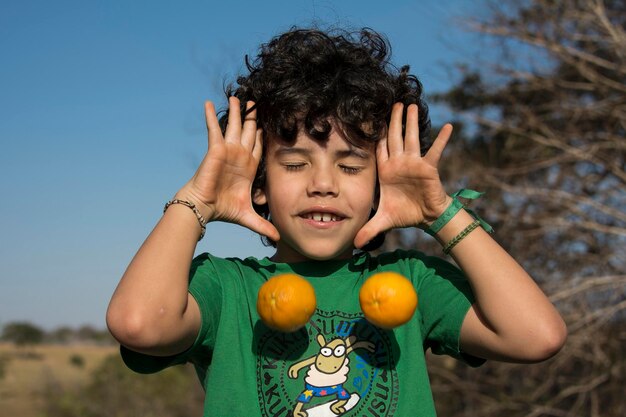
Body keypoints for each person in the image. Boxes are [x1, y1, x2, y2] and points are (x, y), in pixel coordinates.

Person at [107, 27, 567, 417]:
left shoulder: (412, 279)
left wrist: (439, 213)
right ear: (258, 182)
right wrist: (196, 200)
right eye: (294, 164)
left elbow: (536, 336)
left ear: (379, 185)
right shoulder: (227, 288)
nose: (323, 184)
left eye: (350, 166)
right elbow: (138, 324)